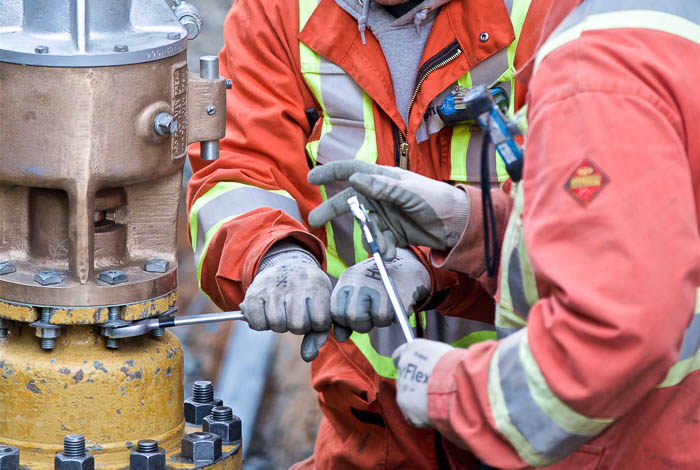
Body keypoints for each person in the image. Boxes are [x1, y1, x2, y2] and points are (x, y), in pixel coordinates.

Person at [307, 0, 700, 468]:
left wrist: (447, 390)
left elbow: (614, 331)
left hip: (638, 445)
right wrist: (467, 224)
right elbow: (640, 228)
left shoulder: (596, 69)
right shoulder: (651, 24)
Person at [187, 0, 551, 467]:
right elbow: (241, 166)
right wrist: (276, 254)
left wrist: (430, 261)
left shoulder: (544, 11)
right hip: (369, 426)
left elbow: (588, 227)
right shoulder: (277, 10)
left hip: (529, 417)